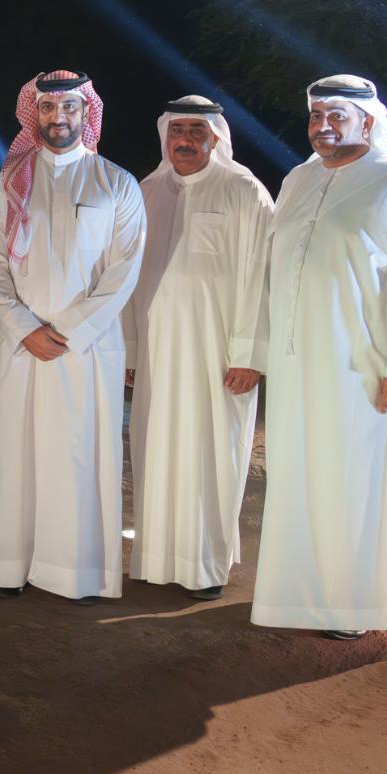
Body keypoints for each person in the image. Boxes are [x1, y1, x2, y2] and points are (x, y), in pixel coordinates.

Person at [251, 74, 387, 639]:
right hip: (297, 366)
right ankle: (295, 597)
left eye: (337, 115)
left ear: (369, 121)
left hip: (363, 366)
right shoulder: (298, 179)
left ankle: (353, 606)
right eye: (317, 116)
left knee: (355, 483)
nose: (324, 126)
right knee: (297, 476)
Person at [0, 70, 145, 605]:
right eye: (48, 108)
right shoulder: (7, 185)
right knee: (19, 455)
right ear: (35, 115)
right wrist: (26, 329)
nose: (58, 118)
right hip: (23, 345)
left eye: (69, 107)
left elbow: (123, 272)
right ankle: (10, 568)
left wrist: (67, 331)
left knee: (79, 455)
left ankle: (77, 573)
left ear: (86, 112)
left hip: (86, 349)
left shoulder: (116, 183)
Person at [122, 96, 272, 600]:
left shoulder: (243, 191)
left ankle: (206, 565)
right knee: (155, 449)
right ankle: (157, 559)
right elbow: (129, 279)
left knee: (212, 454)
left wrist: (249, 354)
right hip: (158, 353)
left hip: (218, 354)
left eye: (195, 131)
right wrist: (132, 352)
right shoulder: (147, 191)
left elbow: (261, 278)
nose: (184, 140)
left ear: (215, 137)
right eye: (177, 130)